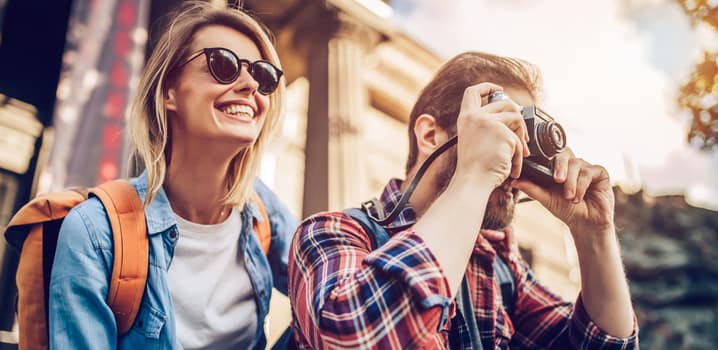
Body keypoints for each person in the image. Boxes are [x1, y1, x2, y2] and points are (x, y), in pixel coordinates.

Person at [288, 51, 638, 349]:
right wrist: (475, 174)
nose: (516, 153)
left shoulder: (498, 265)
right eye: (504, 129)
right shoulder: (332, 232)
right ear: (430, 134)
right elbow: (357, 337)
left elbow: (598, 344)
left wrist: (594, 235)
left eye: (522, 135)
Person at [48, 2, 298, 349]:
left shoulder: (264, 212)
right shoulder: (96, 231)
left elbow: (334, 303)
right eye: (222, 64)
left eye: (263, 75)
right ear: (169, 92)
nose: (249, 85)